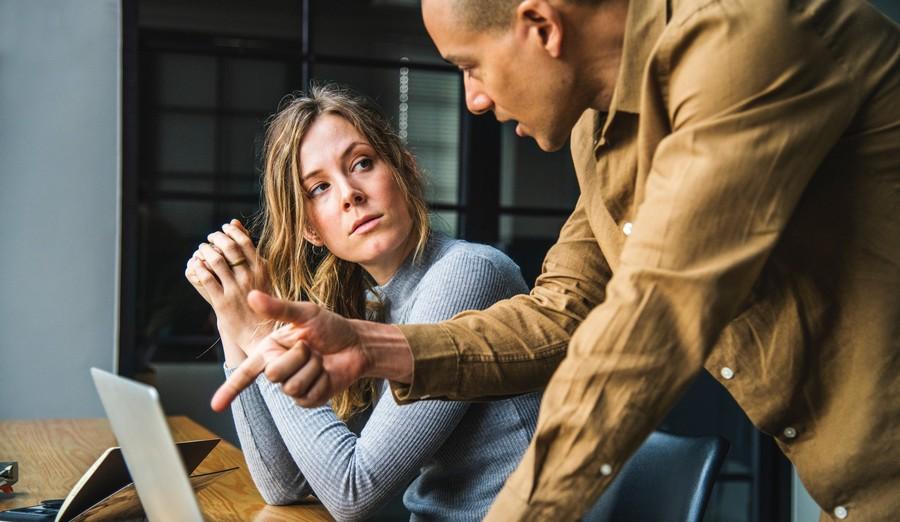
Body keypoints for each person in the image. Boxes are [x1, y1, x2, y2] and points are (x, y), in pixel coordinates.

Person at [214, 0, 900, 520]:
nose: (474, 99)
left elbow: (651, 321)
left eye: (471, 67)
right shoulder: (599, 134)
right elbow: (561, 313)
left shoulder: (743, 44)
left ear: (540, 25)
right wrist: (373, 344)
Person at [188, 84, 542, 521]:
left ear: (405, 169)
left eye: (362, 163)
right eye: (318, 188)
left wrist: (259, 334)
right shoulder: (370, 302)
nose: (348, 194)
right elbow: (285, 485)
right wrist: (231, 315)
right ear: (311, 231)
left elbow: (352, 494)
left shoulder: (470, 272)